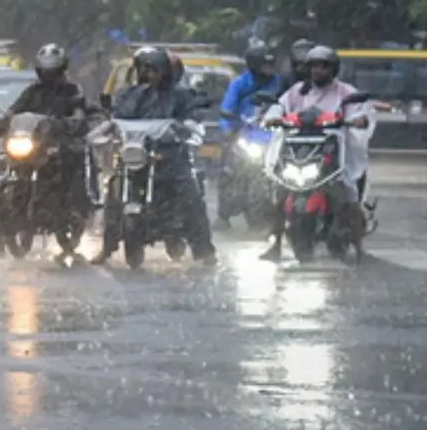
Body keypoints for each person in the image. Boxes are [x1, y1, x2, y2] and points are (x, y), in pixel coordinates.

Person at [92, 46, 217, 266]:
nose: (148, 74)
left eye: (153, 69)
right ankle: (107, 247)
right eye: (143, 68)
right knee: (113, 192)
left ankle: (204, 251)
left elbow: (193, 114)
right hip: (136, 155)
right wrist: (107, 127)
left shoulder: (181, 95)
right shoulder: (130, 95)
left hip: (170, 158)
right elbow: (118, 115)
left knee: (190, 196)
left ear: (165, 70)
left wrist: (188, 125)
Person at [258, 46, 372, 261]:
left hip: (332, 150)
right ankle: (276, 243)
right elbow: (279, 107)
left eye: (323, 66)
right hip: (298, 148)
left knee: (347, 193)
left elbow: (361, 110)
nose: (317, 70)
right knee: (278, 191)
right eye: (314, 66)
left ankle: (359, 247)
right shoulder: (297, 91)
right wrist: (272, 117)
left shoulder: (345, 92)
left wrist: (358, 119)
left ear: (333, 69)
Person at [0, 43, 90, 255]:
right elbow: (14, 111)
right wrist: (1, 123)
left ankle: (72, 214)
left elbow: (79, 115)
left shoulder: (72, 91)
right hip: (32, 146)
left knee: (71, 165)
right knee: (7, 181)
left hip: (57, 145)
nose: (48, 75)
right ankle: (0, 237)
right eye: (45, 71)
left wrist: (69, 123)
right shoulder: (32, 91)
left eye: (53, 71)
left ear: (61, 70)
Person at [215, 44, 283, 229]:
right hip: (245, 134)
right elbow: (227, 109)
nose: (269, 69)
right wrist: (228, 129)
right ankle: (223, 215)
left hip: (274, 136)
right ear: (255, 65)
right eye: (265, 65)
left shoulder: (279, 83)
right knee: (230, 171)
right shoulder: (240, 83)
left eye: (271, 64)